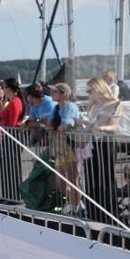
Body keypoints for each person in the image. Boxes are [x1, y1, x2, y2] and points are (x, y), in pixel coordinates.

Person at [78, 76, 123, 223]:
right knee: (91, 180)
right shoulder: (93, 106)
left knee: (105, 180)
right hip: (92, 145)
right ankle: (94, 215)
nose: (89, 93)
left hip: (105, 144)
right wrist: (84, 123)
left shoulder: (114, 103)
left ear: (99, 89)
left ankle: (110, 216)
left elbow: (114, 125)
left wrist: (102, 128)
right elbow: (91, 124)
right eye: (88, 91)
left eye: (90, 90)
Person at [46, 83, 82, 214]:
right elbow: (49, 125)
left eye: (54, 92)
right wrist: (55, 128)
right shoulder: (56, 108)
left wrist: (55, 128)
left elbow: (64, 126)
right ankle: (73, 204)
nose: (52, 94)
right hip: (59, 145)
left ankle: (76, 209)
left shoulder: (70, 106)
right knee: (60, 180)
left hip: (70, 145)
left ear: (63, 93)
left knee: (72, 179)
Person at [0, 78, 25, 202]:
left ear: (9, 88)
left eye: (4, 87)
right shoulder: (11, 101)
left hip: (12, 136)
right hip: (8, 136)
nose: (2, 89)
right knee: (5, 167)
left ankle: (14, 195)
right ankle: (7, 194)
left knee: (11, 167)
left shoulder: (15, 102)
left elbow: (12, 123)